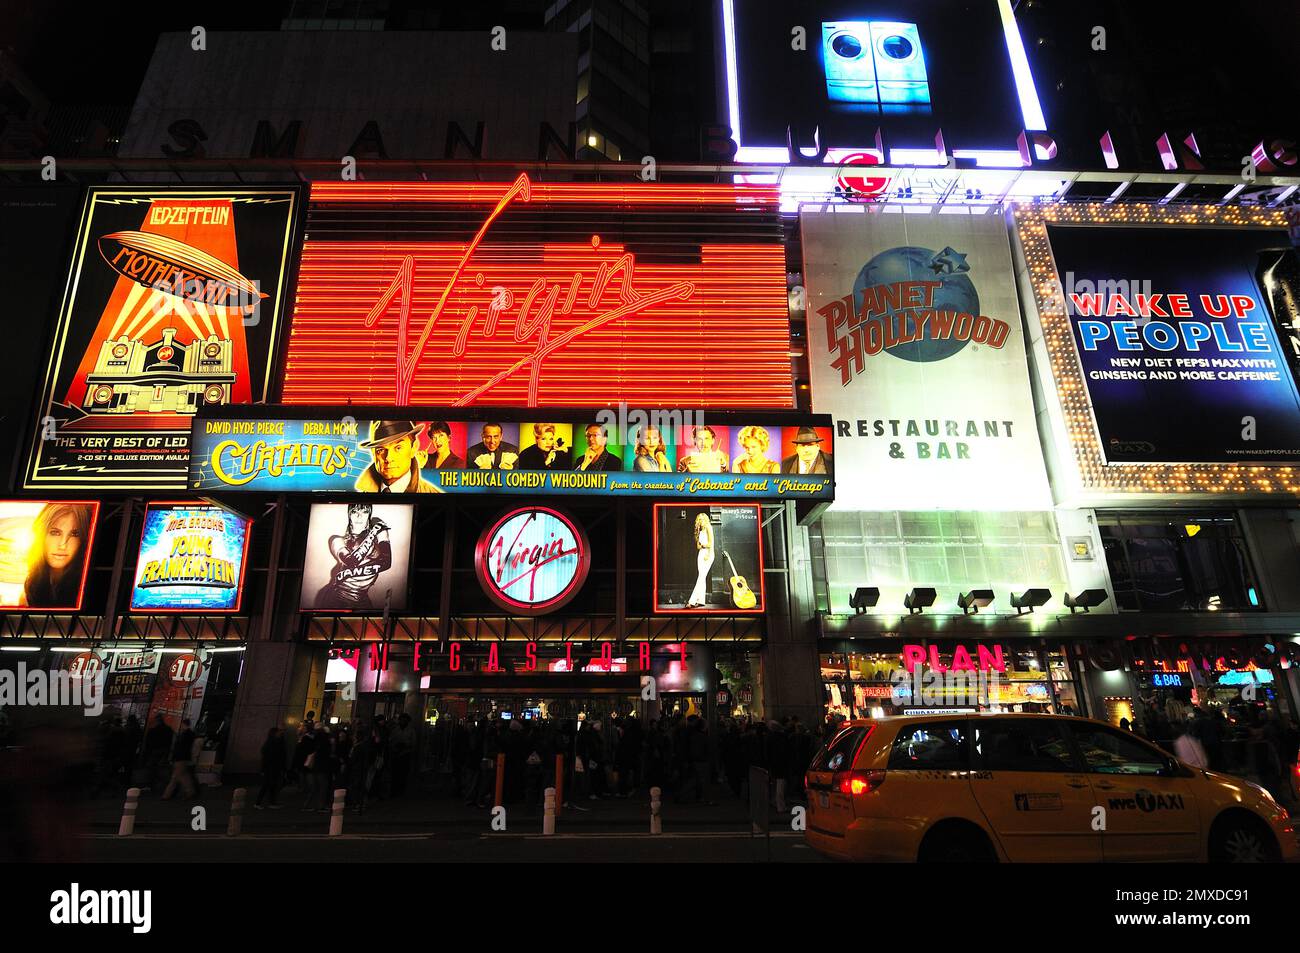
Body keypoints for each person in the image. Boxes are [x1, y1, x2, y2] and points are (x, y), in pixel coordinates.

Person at [313, 503, 392, 609]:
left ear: (369, 516)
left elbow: (387, 562)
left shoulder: (376, 541)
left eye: (364, 512)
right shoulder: (337, 540)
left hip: (363, 601)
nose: (359, 516)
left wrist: (381, 532)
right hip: (337, 599)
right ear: (349, 515)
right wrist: (374, 531)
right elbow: (352, 562)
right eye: (355, 512)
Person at [19, 502, 93, 608]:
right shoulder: (29, 591)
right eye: (55, 533)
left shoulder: (86, 589)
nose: (62, 545)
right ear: (41, 536)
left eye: (75, 534)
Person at [354, 420, 442, 493]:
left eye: (398, 448)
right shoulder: (358, 492)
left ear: (413, 447)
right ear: (373, 453)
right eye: (380, 450)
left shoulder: (431, 493)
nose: (388, 458)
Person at [161, 718, 198, 800]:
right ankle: (168, 794)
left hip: (180, 757)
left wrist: (172, 757)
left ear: (183, 724)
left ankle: (188, 792)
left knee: (178, 777)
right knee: (180, 776)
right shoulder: (191, 734)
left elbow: (179, 747)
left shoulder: (184, 734)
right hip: (184, 757)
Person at [687, 512, 714, 608]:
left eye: (703, 519)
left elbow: (711, 543)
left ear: (706, 519)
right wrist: (702, 545)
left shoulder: (708, 527)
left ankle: (692, 601)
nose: (701, 521)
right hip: (701, 553)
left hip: (708, 553)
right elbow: (698, 546)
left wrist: (708, 553)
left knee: (701, 576)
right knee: (701, 577)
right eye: (699, 519)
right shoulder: (699, 530)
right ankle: (701, 601)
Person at [255, 726, 285, 809]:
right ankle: (259, 803)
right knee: (267, 785)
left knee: (271, 785)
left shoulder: (271, 742)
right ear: (275, 733)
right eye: (278, 733)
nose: (280, 734)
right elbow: (267, 757)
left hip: (272, 767)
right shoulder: (273, 743)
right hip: (271, 768)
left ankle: (269, 802)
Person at [389, 712, 416, 797]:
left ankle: (401, 790)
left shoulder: (411, 730)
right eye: (402, 719)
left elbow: (413, 743)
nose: (403, 721)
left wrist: (406, 746)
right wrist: (395, 747)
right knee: (395, 773)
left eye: (405, 720)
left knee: (403, 773)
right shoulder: (395, 729)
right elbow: (390, 740)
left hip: (406, 754)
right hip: (396, 753)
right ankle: (394, 790)